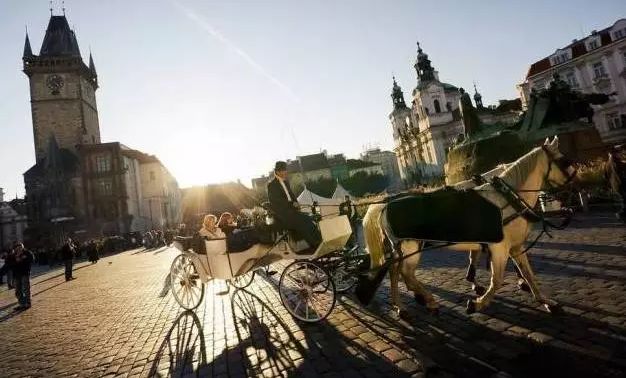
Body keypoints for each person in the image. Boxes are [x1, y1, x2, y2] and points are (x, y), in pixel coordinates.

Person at [267, 161, 322, 250]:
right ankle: (315, 244)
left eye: (286, 170)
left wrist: (297, 204)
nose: (286, 172)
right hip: (283, 214)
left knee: (310, 218)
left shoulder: (286, 182)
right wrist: (291, 204)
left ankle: (319, 241)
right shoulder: (272, 185)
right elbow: (277, 201)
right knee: (305, 220)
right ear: (277, 172)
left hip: (292, 212)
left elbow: (291, 196)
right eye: (284, 170)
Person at [10, 242, 34, 310]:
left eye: (20, 247)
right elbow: (9, 264)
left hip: (25, 273)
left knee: (26, 288)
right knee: (18, 290)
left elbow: (32, 260)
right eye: (17, 248)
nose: (18, 249)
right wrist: (16, 261)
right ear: (15, 249)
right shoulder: (13, 255)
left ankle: (27, 303)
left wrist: (24, 259)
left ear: (22, 247)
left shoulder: (27, 253)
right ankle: (21, 304)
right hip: (16, 275)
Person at [605, 145, 626, 222]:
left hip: (617, 185)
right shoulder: (615, 162)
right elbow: (620, 168)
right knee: (624, 201)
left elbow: (606, 176)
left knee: (624, 201)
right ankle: (621, 215)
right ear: (614, 153)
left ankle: (621, 215)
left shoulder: (608, 162)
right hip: (621, 184)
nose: (621, 153)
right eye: (619, 152)